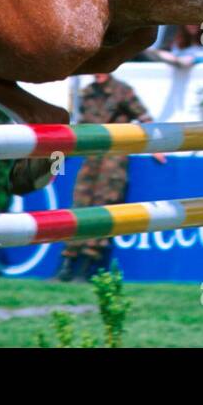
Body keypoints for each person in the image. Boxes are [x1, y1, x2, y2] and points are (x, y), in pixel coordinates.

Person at [57, 74, 154, 281]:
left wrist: (155, 146)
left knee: (104, 204)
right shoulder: (88, 92)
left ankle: (87, 265)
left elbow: (144, 118)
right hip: (92, 154)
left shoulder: (122, 90)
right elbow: (83, 124)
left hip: (114, 155)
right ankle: (67, 262)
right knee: (80, 204)